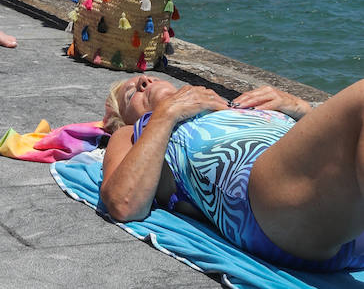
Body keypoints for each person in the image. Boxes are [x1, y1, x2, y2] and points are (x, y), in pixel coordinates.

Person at [101, 72, 364, 270]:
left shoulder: (230, 105)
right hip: (267, 201)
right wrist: (166, 113)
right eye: (130, 94)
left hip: (337, 210)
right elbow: (123, 203)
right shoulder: (136, 133)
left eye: (147, 77)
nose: (144, 81)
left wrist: (303, 111)